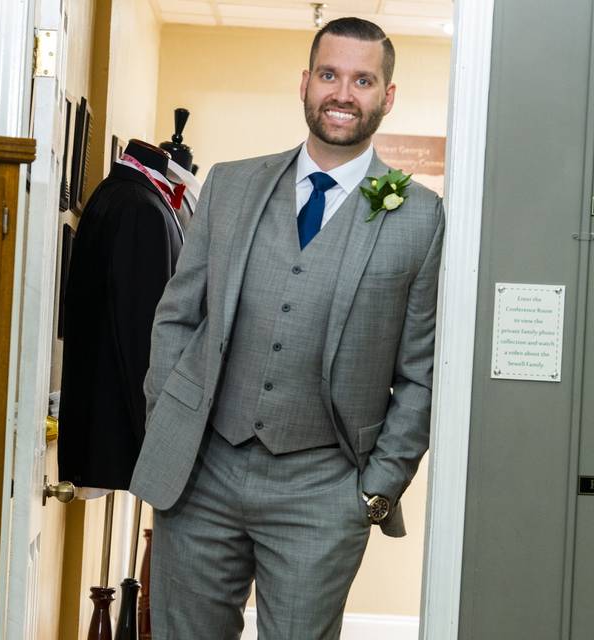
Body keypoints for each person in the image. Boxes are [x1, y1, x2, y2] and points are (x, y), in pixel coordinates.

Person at [129, 17, 444, 639]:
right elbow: (177, 316)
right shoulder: (231, 184)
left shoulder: (421, 218)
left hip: (324, 490)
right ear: (306, 81)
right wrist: (172, 425)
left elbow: (421, 374)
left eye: (362, 79)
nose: (343, 93)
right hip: (202, 475)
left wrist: (374, 491)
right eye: (329, 74)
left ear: (387, 95)